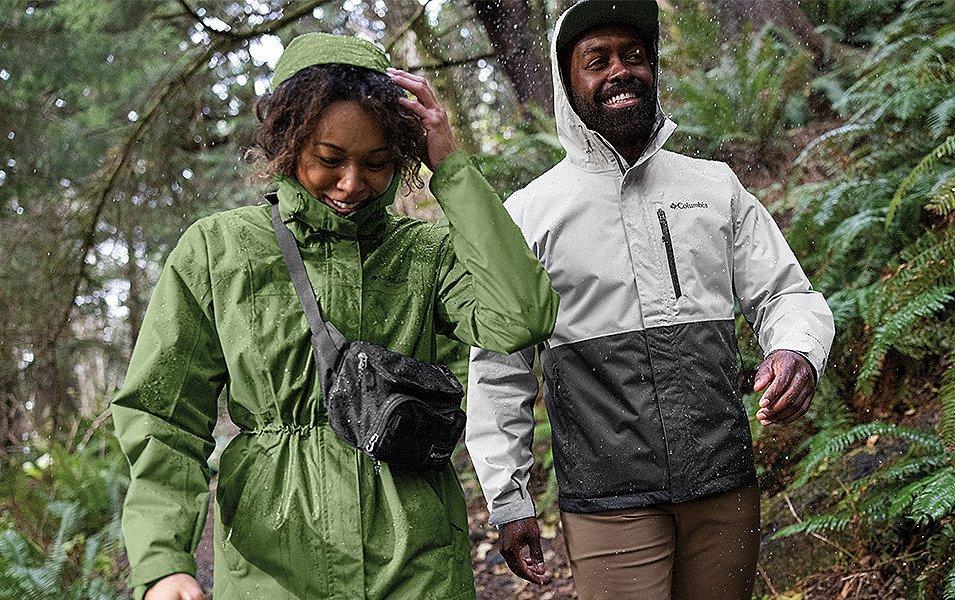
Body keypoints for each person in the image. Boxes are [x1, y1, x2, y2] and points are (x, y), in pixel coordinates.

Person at [111, 32, 559, 600]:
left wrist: (450, 166)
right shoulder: (218, 251)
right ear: (287, 144)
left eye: (376, 162)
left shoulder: (427, 252)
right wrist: (163, 560)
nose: (351, 184)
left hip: (416, 562)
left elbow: (520, 316)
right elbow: (164, 417)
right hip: (273, 566)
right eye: (328, 159)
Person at [465, 1, 835, 599]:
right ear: (567, 81)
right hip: (609, 504)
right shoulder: (530, 215)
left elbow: (787, 294)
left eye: (634, 56)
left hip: (723, 487)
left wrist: (796, 347)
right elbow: (499, 367)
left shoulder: (714, 187)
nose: (621, 70)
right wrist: (508, 501)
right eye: (598, 60)